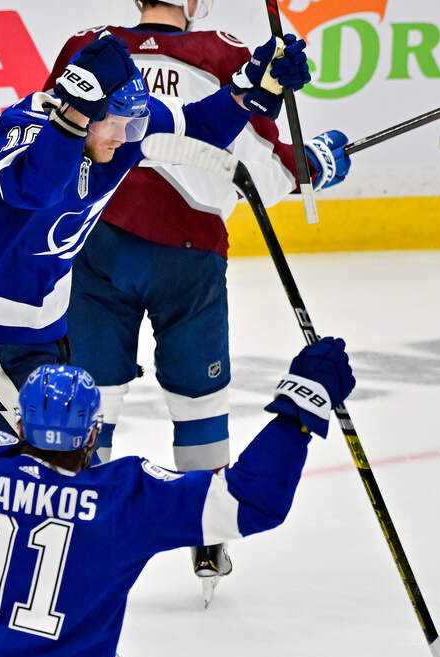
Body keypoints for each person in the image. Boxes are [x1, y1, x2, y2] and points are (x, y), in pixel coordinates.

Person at [0, 229, 356, 657]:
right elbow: (252, 501)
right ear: (92, 435)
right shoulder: (124, 498)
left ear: (18, 423)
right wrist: (299, 409)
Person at [44, 0, 352, 592]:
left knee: (92, 399)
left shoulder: (88, 46)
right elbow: (260, 171)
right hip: (189, 256)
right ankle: (208, 542)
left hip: (94, 249)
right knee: (198, 400)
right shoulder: (224, 53)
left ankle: (78, 533)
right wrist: (312, 164)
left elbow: (48, 146)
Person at [0, 29, 310, 440]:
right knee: (38, 461)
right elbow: (38, 189)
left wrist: (249, 89)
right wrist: (74, 117)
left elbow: (200, 124)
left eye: (132, 126)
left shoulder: (118, 126)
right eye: (114, 125)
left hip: (48, 326)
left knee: (68, 456)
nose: (122, 138)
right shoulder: (21, 128)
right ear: (81, 110)